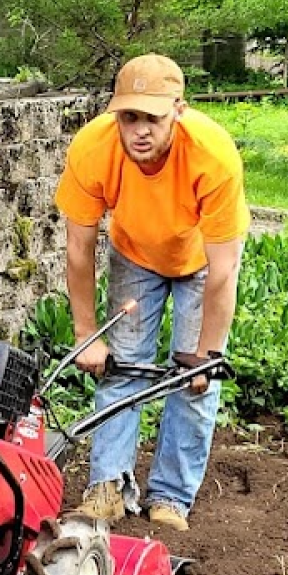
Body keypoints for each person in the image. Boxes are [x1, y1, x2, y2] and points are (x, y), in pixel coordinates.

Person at [52, 54, 249, 531]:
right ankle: (108, 487)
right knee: (120, 365)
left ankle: (171, 499)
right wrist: (85, 333)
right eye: (129, 117)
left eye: (153, 118)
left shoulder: (213, 155)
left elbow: (225, 270)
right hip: (136, 253)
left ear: (178, 110)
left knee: (193, 380)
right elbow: (79, 250)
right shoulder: (94, 148)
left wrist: (208, 353)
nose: (140, 130)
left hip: (200, 262)